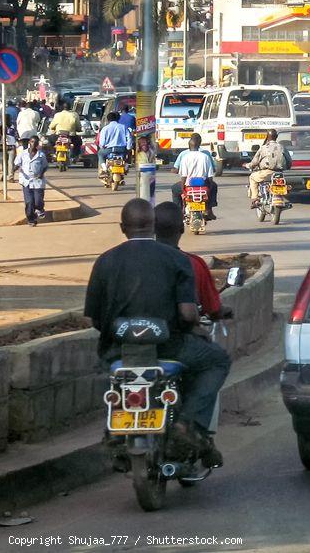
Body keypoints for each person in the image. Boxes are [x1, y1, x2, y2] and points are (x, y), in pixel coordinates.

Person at [84, 199, 230, 466]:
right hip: (170, 347)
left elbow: (95, 318)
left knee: (111, 378)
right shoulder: (177, 259)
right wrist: (195, 327)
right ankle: (188, 423)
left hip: (119, 350)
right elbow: (187, 314)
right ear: (152, 226)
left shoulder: (104, 261)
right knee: (218, 360)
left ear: (122, 227)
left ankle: (113, 430)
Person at [154, 202, 221, 320]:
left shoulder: (135, 262)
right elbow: (211, 308)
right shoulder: (194, 263)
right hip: (179, 333)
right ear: (182, 229)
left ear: (153, 229)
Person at [171, 134, 218, 221]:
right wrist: (210, 187)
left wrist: (183, 190)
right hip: (203, 184)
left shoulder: (185, 157)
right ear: (199, 145)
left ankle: (179, 213)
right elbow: (210, 176)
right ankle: (209, 209)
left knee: (174, 189)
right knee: (214, 186)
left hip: (189, 185)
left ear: (189, 145)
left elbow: (183, 176)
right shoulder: (205, 156)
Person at [245, 129, 291, 208]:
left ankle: (255, 199)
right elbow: (289, 161)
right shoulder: (282, 147)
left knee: (252, 177)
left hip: (267, 172)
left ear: (267, 137)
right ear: (276, 137)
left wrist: (247, 165)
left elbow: (254, 162)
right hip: (280, 173)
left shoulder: (263, 148)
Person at [14, 135, 47, 226]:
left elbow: (45, 166)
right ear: (29, 142)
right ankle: (31, 220)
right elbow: (17, 164)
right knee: (29, 202)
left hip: (38, 181)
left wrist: (41, 174)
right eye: (32, 142)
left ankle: (40, 209)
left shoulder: (41, 155)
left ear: (37, 144)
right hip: (26, 181)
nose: (33, 144)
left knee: (38, 201)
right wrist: (13, 170)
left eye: (35, 142)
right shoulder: (23, 154)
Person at [96, 111, 132, 176]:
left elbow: (102, 142)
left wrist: (102, 146)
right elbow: (129, 138)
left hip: (108, 149)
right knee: (129, 155)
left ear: (108, 119)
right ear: (117, 118)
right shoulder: (123, 127)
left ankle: (104, 169)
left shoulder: (105, 128)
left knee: (100, 154)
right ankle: (126, 167)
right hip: (121, 149)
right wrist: (128, 148)